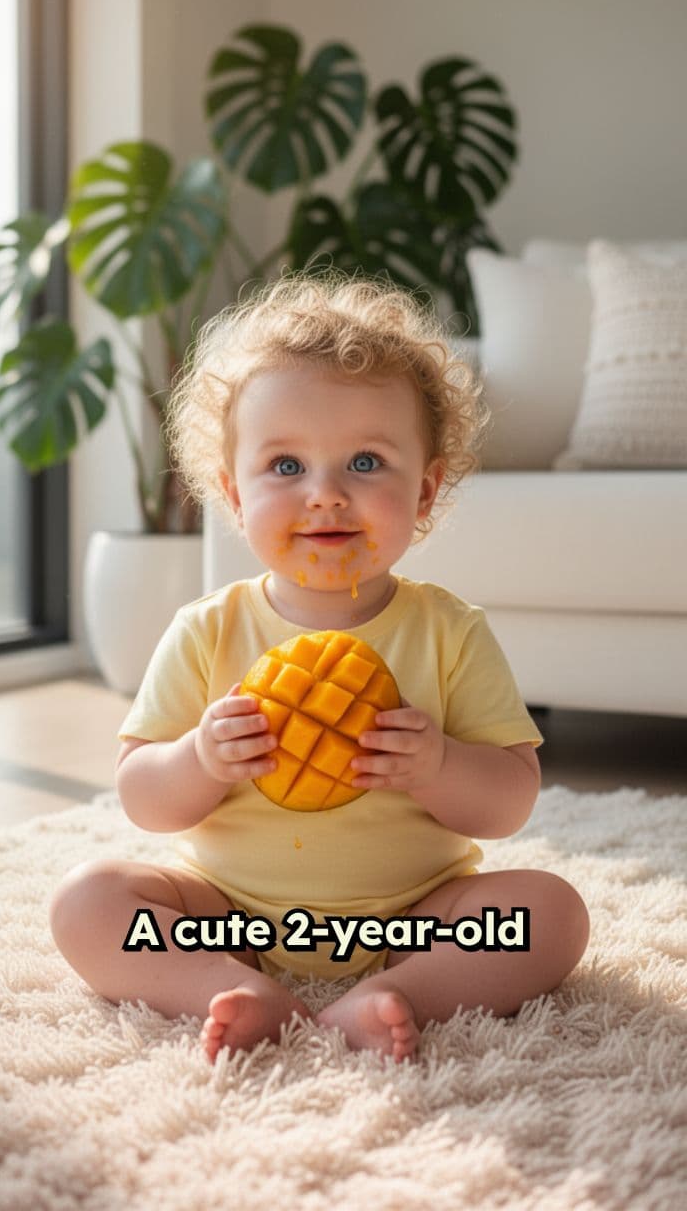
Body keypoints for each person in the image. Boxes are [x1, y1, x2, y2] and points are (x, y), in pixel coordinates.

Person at [50, 272, 589, 1064]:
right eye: (286, 466)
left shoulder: (450, 632)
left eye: (365, 462)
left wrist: (438, 764)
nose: (326, 494)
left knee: (553, 913)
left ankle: (398, 992)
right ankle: (227, 988)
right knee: (86, 902)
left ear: (425, 492)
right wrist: (200, 758)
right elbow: (143, 797)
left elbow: (509, 801)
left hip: (414, 919)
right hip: (228, 918)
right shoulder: (207, 630)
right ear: (234, 495)